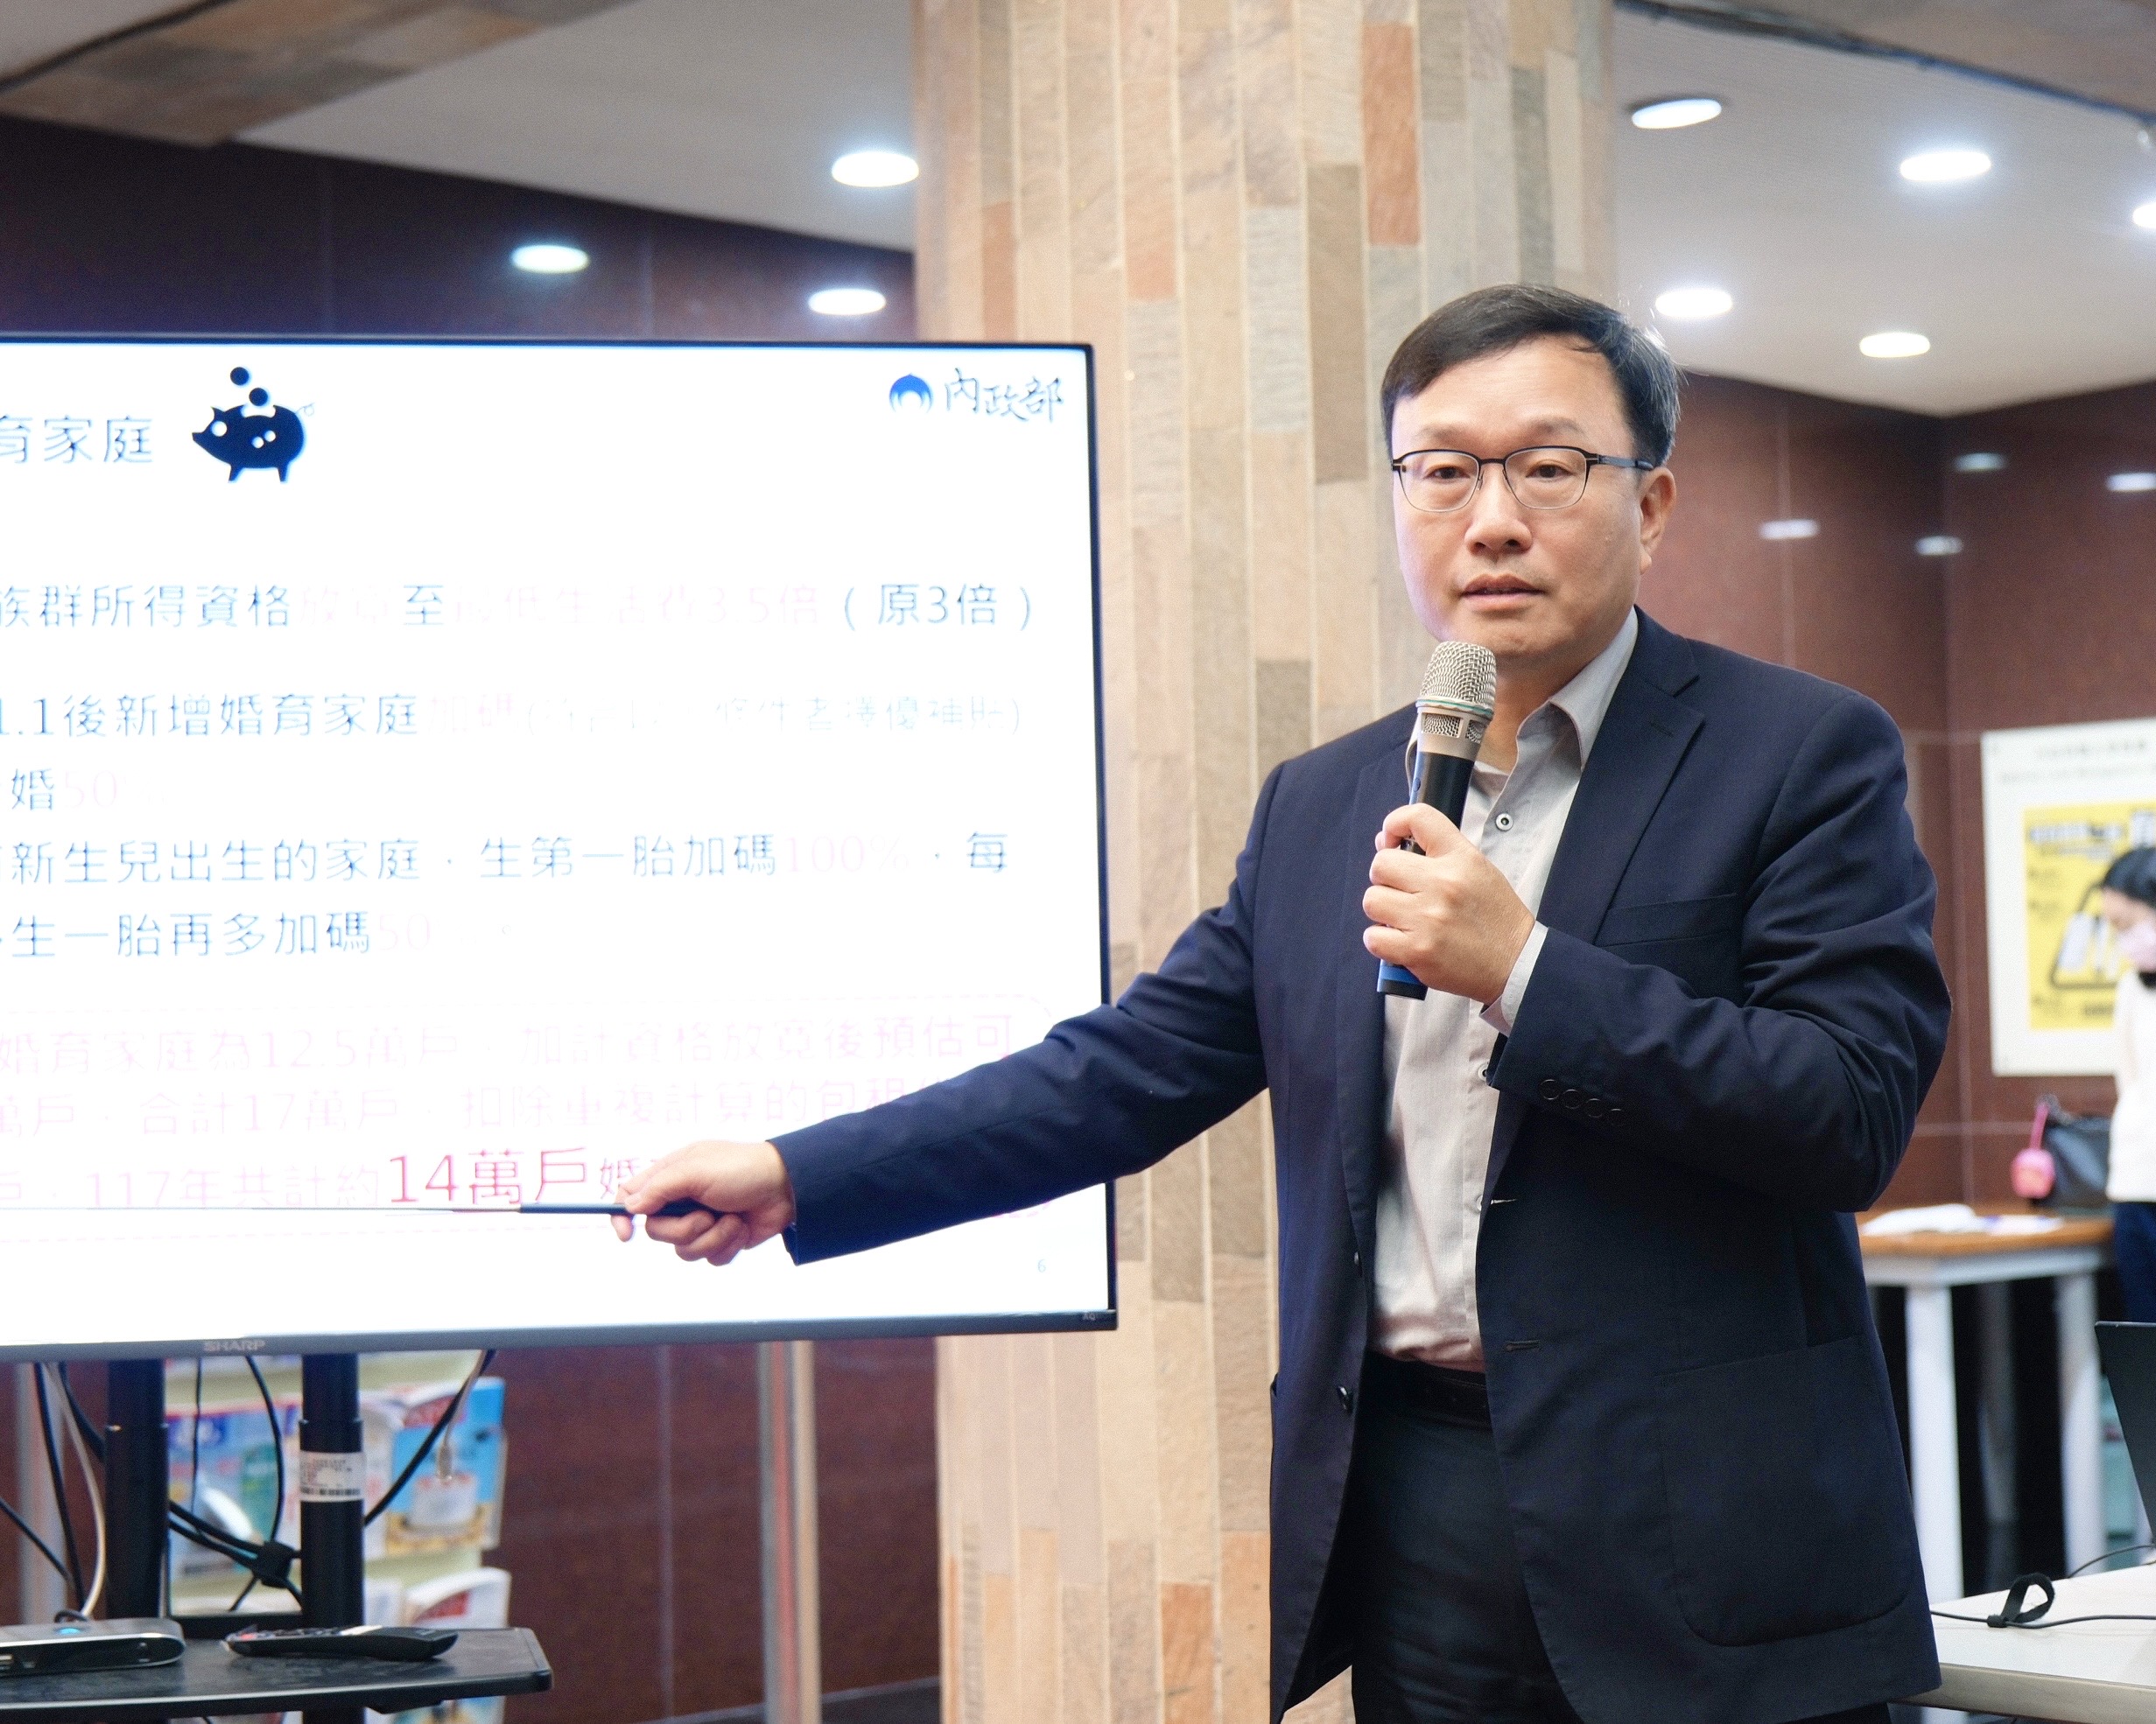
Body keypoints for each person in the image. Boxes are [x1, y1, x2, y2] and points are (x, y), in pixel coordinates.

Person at [613, 284, 1950, 1724]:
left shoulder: (1798, 752)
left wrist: (1522, 968)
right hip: (1417, 1501)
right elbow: (1117, 1072)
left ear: (1652, 502)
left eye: (1547, 467)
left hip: (1705, 1527)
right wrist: (799, 1172)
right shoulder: (1323, 802)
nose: (1490, 521)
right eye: (1440, 471)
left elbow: (1843, 1109)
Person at [2103, 846, 2156, 1322]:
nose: (2125, 940)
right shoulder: (2130, 989)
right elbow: (2130, 1082)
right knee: (2142, 1334)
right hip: (2136, 1187)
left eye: (2128, 924)